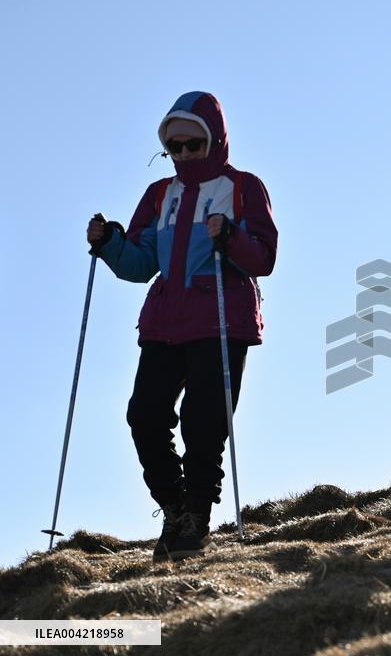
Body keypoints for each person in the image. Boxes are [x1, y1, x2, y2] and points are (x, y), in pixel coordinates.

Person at [86, 91, 278, 559]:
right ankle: (173, 509)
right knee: (144, 415)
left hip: (221, 319)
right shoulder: (159, 195)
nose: (184, 155)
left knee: (204, 421)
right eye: (174, 147)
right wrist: (109, 242)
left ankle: (196, 518)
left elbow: (264, 257)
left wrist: (229, 237)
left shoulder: (243, 187)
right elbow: (139, 262)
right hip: (165, 321)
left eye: (194, 144)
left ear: (216, 140)